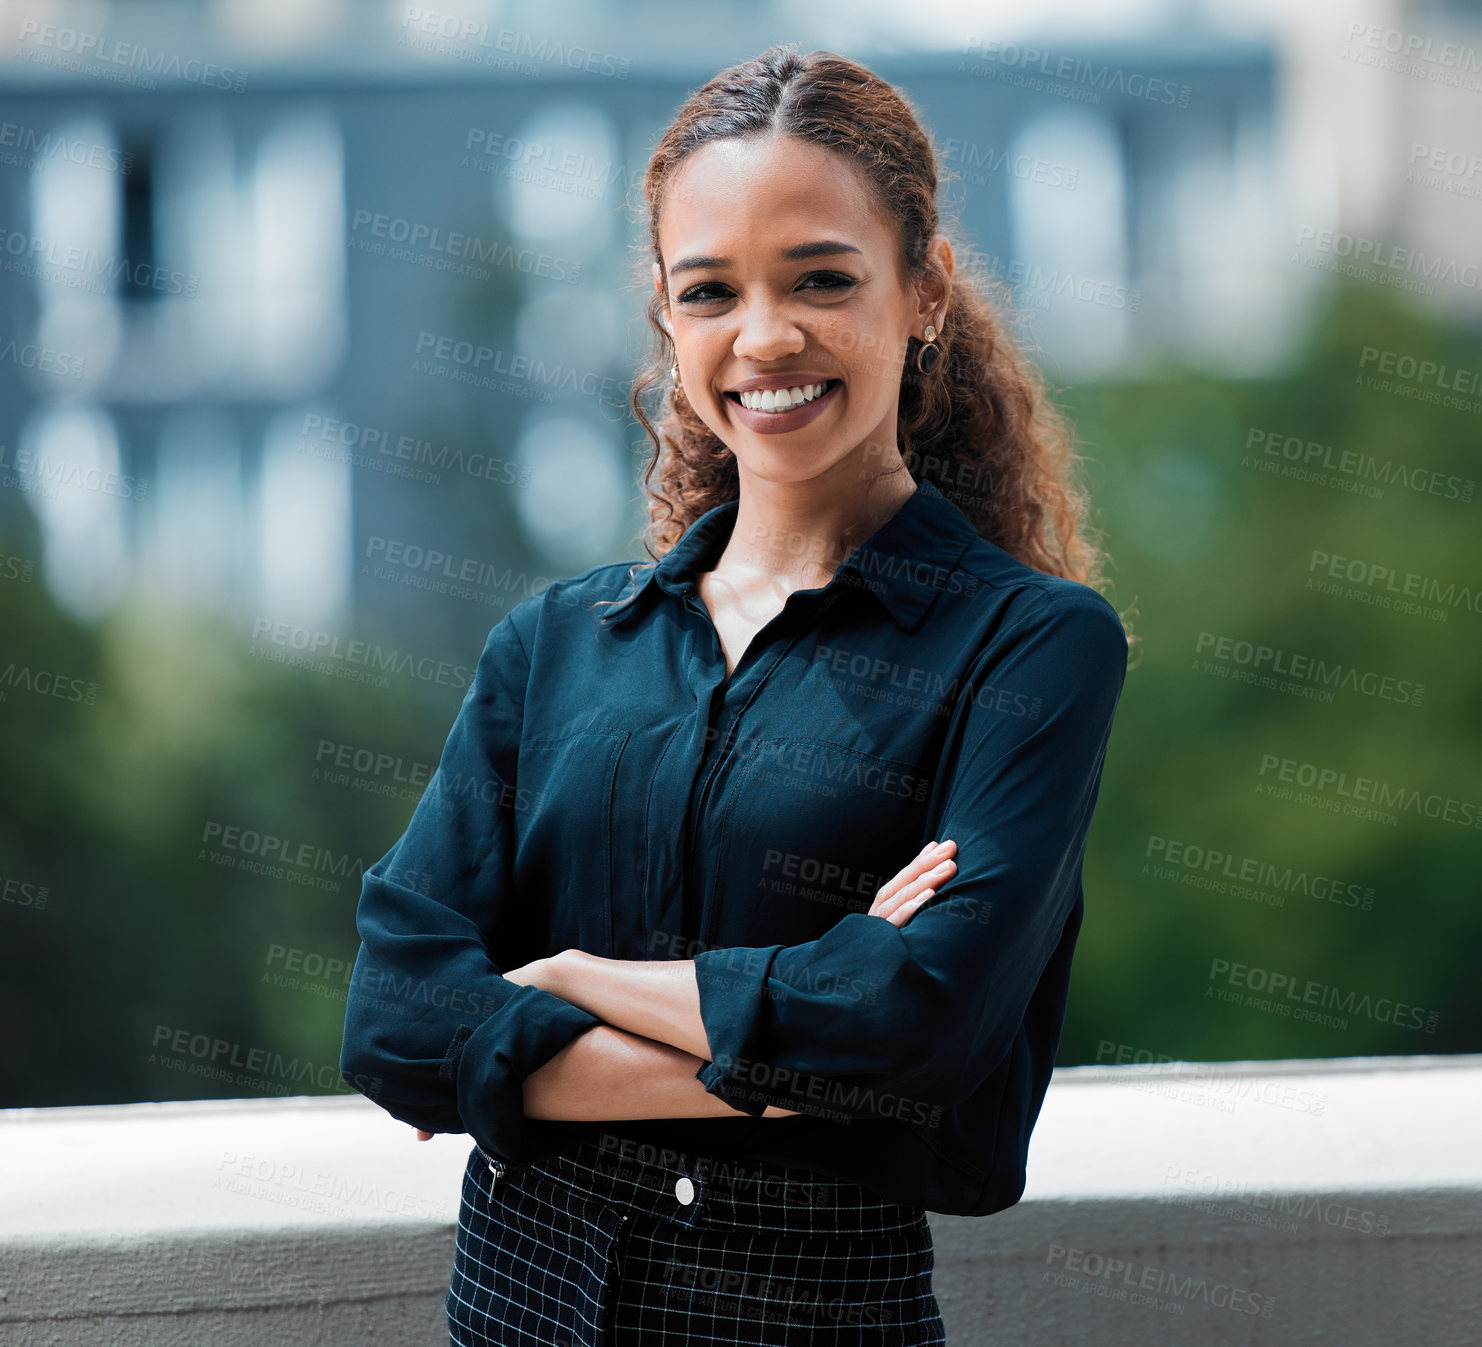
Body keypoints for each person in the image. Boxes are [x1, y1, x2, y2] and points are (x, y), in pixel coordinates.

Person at [340, 42, 1132, 1346]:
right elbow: (395, 1019)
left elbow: (920, 1032)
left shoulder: (1031, 648)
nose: (765, 337)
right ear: (665, 313)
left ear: (923, 290)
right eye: (711, 292)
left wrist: (569, 980)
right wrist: (792, 1046)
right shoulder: (556, 643)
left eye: (822, 278)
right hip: (517, 1314)